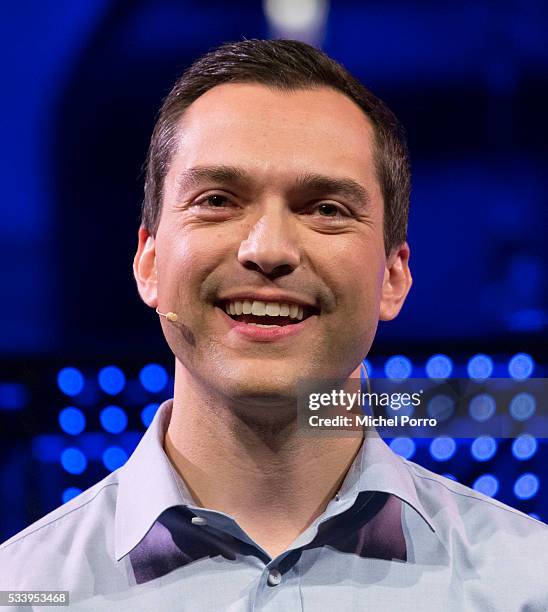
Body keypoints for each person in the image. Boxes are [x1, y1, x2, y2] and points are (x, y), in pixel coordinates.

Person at [1, 38, 546, 611]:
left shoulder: (529, 585)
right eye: (217, 200)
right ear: (149, 262)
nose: (269, 249)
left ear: (393, 276)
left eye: (326, 209)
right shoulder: (23, 592)